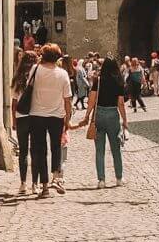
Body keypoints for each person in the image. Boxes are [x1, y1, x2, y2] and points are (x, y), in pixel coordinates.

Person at [28, 43, 72, 198]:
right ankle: (55, 177)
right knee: (56, 147)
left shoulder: (35, 69)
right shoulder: (63, 74)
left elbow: (28, 87)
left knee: (40, 150)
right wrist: (68, 118)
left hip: (37, 114)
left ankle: (44, 186)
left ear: (43, 56)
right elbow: (67, 99)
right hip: (56, 116)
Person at [80, 57, 129, 188]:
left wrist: (87, 116)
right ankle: (119, 178)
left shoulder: (98, 80)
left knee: (99, 150)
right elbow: (120, 103)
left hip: (99, 115)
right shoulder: (119, 81)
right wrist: (125, 120)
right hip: (113, 114)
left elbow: (92, 99)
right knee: (116, 149)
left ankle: (101, 180)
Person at [10, 50, 38, 196]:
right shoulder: (37, 77)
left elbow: (14, 102)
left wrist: (13, 120)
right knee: (35, 151)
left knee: (23, 152)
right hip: (35, 115)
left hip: (21, 116)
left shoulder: (18, 78)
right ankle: (35, 184)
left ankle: (23, 183)